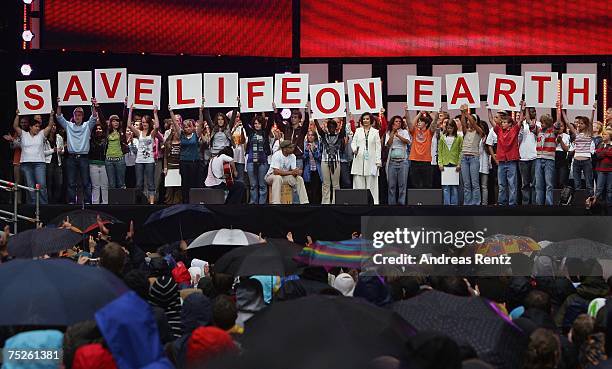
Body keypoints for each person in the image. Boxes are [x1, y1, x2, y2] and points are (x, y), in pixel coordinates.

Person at [56, 97, 98, 204]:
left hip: (83, 157)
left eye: (79, 115)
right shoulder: (69, 126)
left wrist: (93, 105)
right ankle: (71, 202)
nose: (77, 116)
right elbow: (59, 117)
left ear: (83, 116)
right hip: (71, 157)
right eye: (76, 115)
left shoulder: (87, 126)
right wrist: (59, 104)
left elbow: (94, 117)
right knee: (71, 183)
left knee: (86, 182)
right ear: (73, 116)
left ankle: (88, 202)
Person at [13, 109, 54, 204]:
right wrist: (17, 115)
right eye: (36, 126)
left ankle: (43, 206)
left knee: (42, 185)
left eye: (39, 127)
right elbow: (15, 126)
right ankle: (32, 207)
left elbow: (50, 126)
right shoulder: (23, 134)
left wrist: (51, 116)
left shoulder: (41, 134)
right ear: (30, 127)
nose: (38, 128)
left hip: (39, 163)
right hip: (26, 164)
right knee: (30, 187)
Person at [489, 103, 524, 206]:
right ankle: (501, 203)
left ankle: (512, 203)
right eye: (502, 122)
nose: (502, 124)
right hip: (501, 162)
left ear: (510, 124)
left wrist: (522, 109)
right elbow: (491, 120)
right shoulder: (499, 131)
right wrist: (489, 109)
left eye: (504, 122)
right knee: (501, 184)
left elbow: (520, 120)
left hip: (511, 161)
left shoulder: (514, 130)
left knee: (512, 184)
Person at [170, 104, 207, 203]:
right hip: (184, 163)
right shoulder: (181, 134)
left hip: (195, 163)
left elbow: (201, 123)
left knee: (196, 183)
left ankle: (197, 201)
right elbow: (175, 123)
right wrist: (171, 111)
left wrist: (200, 111)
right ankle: (186, 202)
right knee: (185, 184)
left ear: (193, 127)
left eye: (189, 127)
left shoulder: (196, 134)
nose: (187, 129)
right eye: (185, 127)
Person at [127, 105, 160, 204]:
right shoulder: (139, 133)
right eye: (143, 122)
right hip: (139, 161)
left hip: (149, 160)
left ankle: (151, 203)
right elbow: (129, 125)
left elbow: (157, 126)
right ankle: (139, 202)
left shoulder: (152, 133)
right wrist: (130, 111)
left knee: (150, 183)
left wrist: (155, 113)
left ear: (149, 123)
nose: (144, 124)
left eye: (146, 122)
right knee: (139, 184)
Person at [564, 105, 596, 197]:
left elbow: (591, 120)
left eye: (582, 123)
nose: (579, 125)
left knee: (589, 184)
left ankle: (590, 203)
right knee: (577, 184)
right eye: (579, 123)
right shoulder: (576, 133)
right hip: (576, 161)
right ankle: (578, 205)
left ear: (586, 125)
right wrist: (562, 110)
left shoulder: (589, 133)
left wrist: (593, 110)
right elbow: (567, 122)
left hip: (586, 161)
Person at [313, 115, 346, 204]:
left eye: (333, 127)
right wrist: (315, 117)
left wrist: (344, 117)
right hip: (325, 161)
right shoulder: (324, 136)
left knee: (335, 184)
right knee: (326, 184)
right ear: (327, 127)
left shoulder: (339, 136)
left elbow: (343, 130)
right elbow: (319, 129)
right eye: (329, 126)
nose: (331, 128)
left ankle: (335, 202)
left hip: (336, 162)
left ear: (336, 128)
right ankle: (325, 202)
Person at [265, 140, 309, 204]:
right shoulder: (277, 155)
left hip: (284, 177)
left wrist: (297, 172)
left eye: (292, 147)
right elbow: (276, 172)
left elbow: (293, 172)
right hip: (271, 177)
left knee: (299, 179)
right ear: (285, 149)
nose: (293, 149)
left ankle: (304, 202)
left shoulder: (293, 156)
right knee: (277, 178)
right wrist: (291, 172)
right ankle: (276, 203)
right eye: (290, 148)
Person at [351, 112, 382, 204]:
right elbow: (353, 143)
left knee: (372, 185)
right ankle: (358, 203)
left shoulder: (375, 132)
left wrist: (378, 161)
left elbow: (378, 147)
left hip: (372, 162)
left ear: (371, 120)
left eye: (367, 119)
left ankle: (374, 204)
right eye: (364, 119)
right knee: (358, 183)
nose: (365, 120)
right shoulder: (358, 131)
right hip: (359, 160)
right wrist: (354, 150)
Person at [243, 113, 273, 204]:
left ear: (262, 124)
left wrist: (273, 111)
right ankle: (253, 204)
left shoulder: (265, 132)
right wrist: (241, 108)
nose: (257, 125)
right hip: (251, 162)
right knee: (253, 185)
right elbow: (244, 121)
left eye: (259, 123)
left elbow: (271, 121)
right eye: (255, 123)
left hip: (263, 162)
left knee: (262, 185)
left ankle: (262, 205)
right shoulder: (250, 132)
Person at [407, 109, 438, 189]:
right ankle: (416, 201)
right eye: (418, 121)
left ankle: (426, 201)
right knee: (415, 184)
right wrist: (417, 113)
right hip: (414, 160)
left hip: (426, 161)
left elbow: (435, 122)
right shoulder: (414, 131)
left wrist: (432, 112)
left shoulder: (429, 132)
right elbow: (410, 123)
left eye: (421, 121)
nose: (418, 122)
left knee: (427, 185)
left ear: (426, 124)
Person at [459, 105, 484, 205]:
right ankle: (467, 203)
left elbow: (473, 123)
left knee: (475, 183)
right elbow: (463, 123)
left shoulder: (479, 131)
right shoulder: (466, 131)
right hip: (464, 158)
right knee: (466, 184)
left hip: (474, 158)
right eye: (468, 119)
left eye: (471, 120)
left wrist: (466, 113)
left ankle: (476, 203)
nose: (469, 121)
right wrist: (462, 113)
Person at [385, 115, 411, 205]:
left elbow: (408, 142)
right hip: (392, 162)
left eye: (400, 122)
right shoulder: (389, 132)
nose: (398, 123)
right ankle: (391, 205)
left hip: (403, 162)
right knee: (391, 185)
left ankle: (401, 204)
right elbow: (388, 144)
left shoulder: (404, 132)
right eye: (396, 121)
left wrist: (398, 135)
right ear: (392, 123)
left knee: (402, 185)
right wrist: (393, 132)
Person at [534, 114, 559, 206]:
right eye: (541, 122)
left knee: (549, 184)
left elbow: (558, 123)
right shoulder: (539, 131)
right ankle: (539, 204)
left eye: (543, 122)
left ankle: (549, 205)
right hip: (538, 159)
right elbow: (530, 123)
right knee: (538, 184)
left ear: (548, 123)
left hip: (549, 159)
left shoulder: (553, 131)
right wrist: (526, 108)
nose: (541, 124)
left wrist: (558, 110)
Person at [438, 119, 463, 205]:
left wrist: (459, 163)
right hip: (445, 163)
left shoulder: (459, 137)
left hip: (454, 163)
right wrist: (440, 163)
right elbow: (440, 151)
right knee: (446, 186)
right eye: (448, 128)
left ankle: (454, 205)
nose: (449, 130)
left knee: (454, 186)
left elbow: (461, 151)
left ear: (454, 128)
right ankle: (447, 205)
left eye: (451, 128)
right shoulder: (443, 137)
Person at [519, 106, 539, 205]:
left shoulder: (538, 125)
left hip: (535, 157)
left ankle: (534, 204)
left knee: (535, 184)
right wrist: (523, 109)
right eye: (531, 111)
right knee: (525, 184)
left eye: (534, 111)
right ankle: (525, 204)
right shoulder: (521, 125)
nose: (533, 113)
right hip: (523, 157)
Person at [44, 123, 64, 203]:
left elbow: (62, 150)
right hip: (48, 163)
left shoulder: (59, 137)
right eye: (51, 126)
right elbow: (42, 152)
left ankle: (55, 202)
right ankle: (49, 202)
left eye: (55, 125)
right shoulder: (44, 137)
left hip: (57, 163)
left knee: (59, 183)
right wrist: (53, 150)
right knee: (49, 184)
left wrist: (60, 151)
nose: (53, 127)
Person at [163, 124, 182, 204]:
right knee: (169, 186)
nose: (178, 134)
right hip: (170, 166)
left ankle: (177, 202)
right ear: (173, 133)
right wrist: (165, 167)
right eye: (176, 132)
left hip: (179, 166)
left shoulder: (182, 143)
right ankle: (168, 202)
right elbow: (165, 157)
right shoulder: (168, 143)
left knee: (178, 186)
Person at [302, 130, 322, 204]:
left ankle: (317, 204)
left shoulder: (318, 144)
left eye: (312, 135)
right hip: (308, 169)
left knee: (316, 188)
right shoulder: (305, 144)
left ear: (315, 136)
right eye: (309, 135)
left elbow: (319, 157)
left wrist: (315, 149)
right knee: (309, 188)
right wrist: (307, 151)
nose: (310, 136)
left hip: (317, 169)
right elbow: (303, 157)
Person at [594, 127, 612, 207]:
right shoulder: (601, 144)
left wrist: (603, 152)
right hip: (601, 170)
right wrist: (606, 152)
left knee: (609, 189)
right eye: (603, 134)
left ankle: (609, 206)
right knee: (599, 189)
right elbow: (597, 155)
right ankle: (597, 205)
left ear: (610, 136)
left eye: (605, 134)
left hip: (610, 170)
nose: (603, 136)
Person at [478, 120, 491, 205]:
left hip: (485, 163)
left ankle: (484, 203)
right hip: (476, 163)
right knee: (476, 186)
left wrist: (485, 142)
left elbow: (489, 151)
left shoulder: (488, 138)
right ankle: (477, 202)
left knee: (484, 186)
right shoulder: (476, 137)